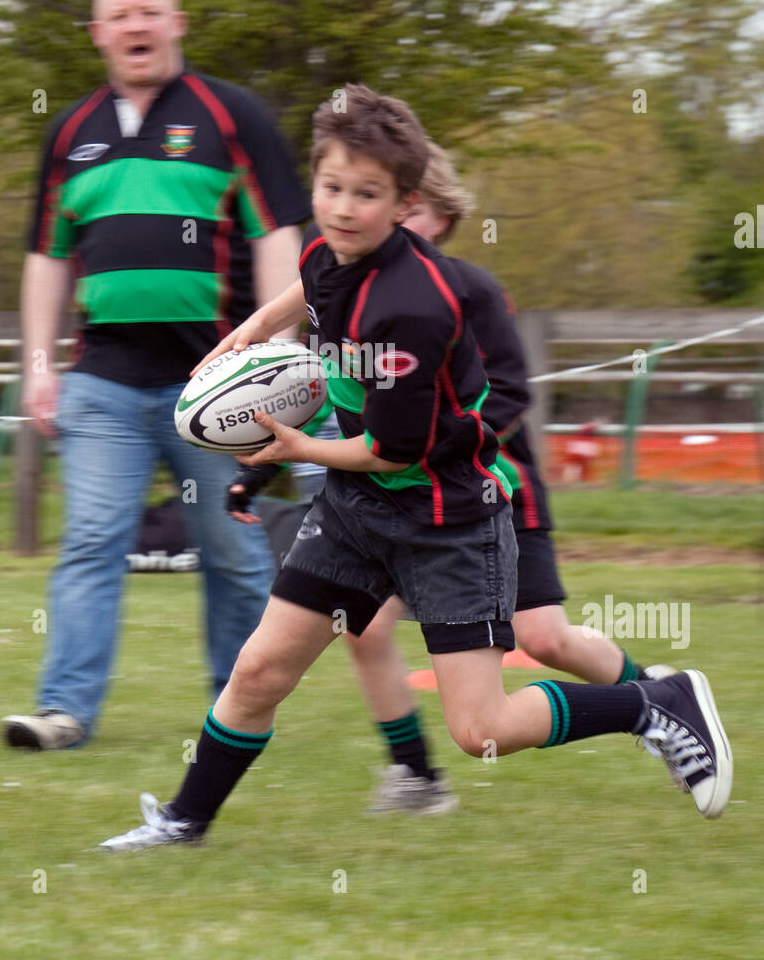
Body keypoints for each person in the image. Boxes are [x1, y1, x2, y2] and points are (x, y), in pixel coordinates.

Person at [100, 83, 732, 849]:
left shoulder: (414, 306)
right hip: (352, 514)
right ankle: (181, 822)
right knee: (260, 671)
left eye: (366, 195)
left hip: (444, 522)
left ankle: (652, 703)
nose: (341, 208)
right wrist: (256, 328)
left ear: (404, 202)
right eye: (330, 187)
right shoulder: (328, 250)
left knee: (482, 728)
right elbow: (312, 285)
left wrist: (295, 449)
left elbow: (389, 450)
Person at [226, 140, 672, 813]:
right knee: (365, 627)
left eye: (406, 207)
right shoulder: (354, 283)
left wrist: (446, 444)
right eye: (337, 192)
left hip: (488, 490)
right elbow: (338, 400)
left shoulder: (458, 294)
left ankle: (655, 700)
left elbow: (510, 399)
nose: (358, 215)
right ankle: (416, 777)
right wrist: (260, 470)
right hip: (390, 493)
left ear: (430, 214)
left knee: (545, 638)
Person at [2, 0, 311, 750]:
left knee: (233, 549)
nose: (136, 26)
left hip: (213, 386)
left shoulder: (233, 117)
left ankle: (237, 711)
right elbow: (46, 257)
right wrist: (40, 368)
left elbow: (279, 234)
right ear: (99, 33)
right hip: (101, 383)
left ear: (176, 23)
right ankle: (63, 711)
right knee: (91, 541)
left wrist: (273, 359)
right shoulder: (69, 134)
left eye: (150, 12)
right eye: (121, 16)